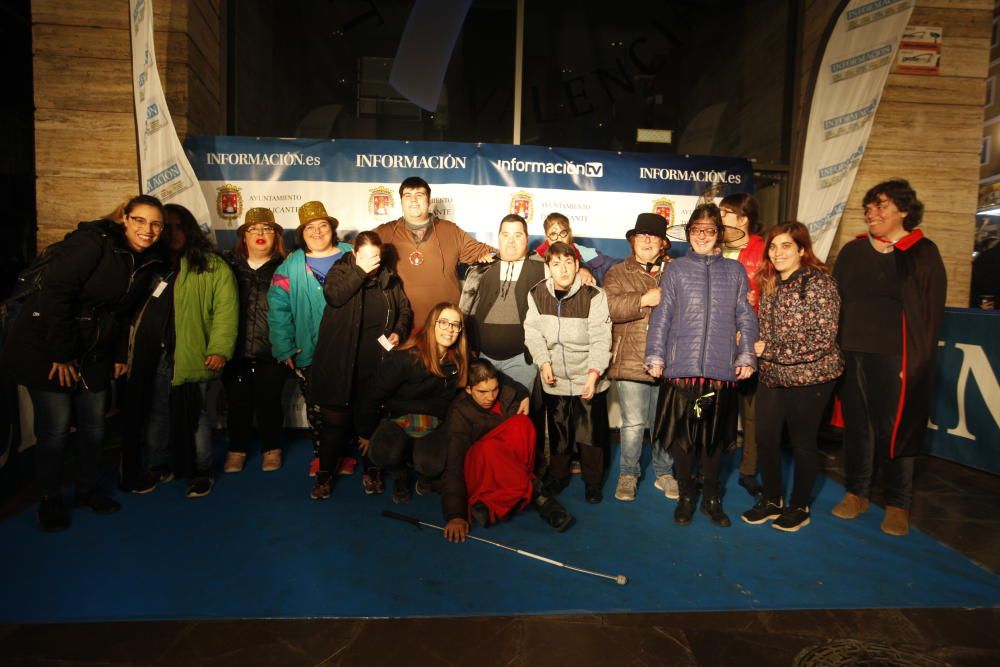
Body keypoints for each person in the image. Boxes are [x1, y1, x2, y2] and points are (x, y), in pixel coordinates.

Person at [2, 195, 166, 530]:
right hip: (47, 347)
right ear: (125, 218)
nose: (147, 230)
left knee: (94, 425)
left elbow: (121, 314)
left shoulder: (144, 259)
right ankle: (50, 499)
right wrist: (61, 355)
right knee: (56, 429)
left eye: (156, 224)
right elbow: (55, 294)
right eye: (140, 220)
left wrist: (119, 354)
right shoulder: (93, 242)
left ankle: (87, 489)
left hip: (95, 351)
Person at [831, 179, 946, 536]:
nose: (872, 213)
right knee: (858, 428)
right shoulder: (853, 251)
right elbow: (835, 303)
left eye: (881, 206)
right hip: (851, 352)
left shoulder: (923, 253)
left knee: (896, 430)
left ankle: (898, 503)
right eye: (869, 208)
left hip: (896, 357)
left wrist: (915, 364)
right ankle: (857, 492)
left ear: (904, 211)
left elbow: (928, 316)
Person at [645, 204, 758, 528]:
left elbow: (746, 317)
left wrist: (746, 355)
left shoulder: (735, 272)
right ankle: (686, 496)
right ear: (689, 233)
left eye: (709, 230)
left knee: (713, 441)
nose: (702, 237)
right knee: (684, 438)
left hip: (718, 377)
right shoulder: (676, 270)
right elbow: (662, 316)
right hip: (682, 374)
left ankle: (711, 497)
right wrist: (655, 355)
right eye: (696, 230)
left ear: (719, 234)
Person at [740, 222, 844, 532]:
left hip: (812, 376)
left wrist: (767, 348)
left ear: (801, 249)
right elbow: (767, 330)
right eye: (773, 247)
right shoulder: (770, 282)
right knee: (766, 438)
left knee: (802, 442)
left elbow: (822, 339)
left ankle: (800, 505)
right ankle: (773, 500)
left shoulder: (821, 284)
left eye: (786, 246)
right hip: (773, 374)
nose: (778, 252)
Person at [136, 204, 238, 498]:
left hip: (197, 354)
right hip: (159, 355)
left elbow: (226, 311)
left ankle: (201, 471)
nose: (171, 233)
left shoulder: (212, 265)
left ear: (190, 229)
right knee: (158, 413)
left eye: (178, 226)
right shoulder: (151, 264)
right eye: (165, 227)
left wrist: (220, 349)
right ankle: (158, 465)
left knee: (198, 415)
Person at [308, 231, 413, 499]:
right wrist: (359, 271)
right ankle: (325, 474)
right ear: (355, 254)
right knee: (335, 425)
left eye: (375, 256)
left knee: (370, 421)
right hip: (340, 363)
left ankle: (372, 469)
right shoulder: (341, 271)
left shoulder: (389, 279)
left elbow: (404, 310)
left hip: (375, 363)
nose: (371, 261)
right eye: (365, 256)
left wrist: (398, 332)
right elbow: (335, 296)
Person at [440, 359, 572, 543]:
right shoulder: (459, 411)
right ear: (469, 389)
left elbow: (516, 390)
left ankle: (499, 501)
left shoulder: (508, 393)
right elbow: (454, 462)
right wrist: (455, 514)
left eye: (494, 389)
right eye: (482, 392)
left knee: (522, 423)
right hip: (482, 466)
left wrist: (524, 394)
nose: (491, 397)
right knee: (490, 447)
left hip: (510, 465)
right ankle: (537, 496)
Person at [523, 242, 613, 503]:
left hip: (588, 376)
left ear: (576, 265)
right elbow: (533, 332)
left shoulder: (595, 296)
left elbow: (600, 338)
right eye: (555, 263)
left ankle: (593, 482)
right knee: (559, 430)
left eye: (568, 262)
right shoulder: (537, 293)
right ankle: (559, 476)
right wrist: (543, 362)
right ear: (548, 267)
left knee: (590, 433)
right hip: (555, 377)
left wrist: (594, 374)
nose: (562, 269)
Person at [268, 201, 353, 474]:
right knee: (317, 409)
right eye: (310, 228)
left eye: (323, 226)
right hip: (309, 351)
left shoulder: (353, 256)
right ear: (302, 234)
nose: (317, 232)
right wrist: (284, 348)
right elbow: (278, 310)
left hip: (350, 349)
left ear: (333, 229)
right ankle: (322, 455)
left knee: (350, 403)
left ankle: (346, 455)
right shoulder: (288, 267)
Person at [603, 213, 678, 502]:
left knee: (663, 421)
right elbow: (608, 307)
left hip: (669, 359)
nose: (646, 240)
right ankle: (628, 475)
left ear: (663, 243)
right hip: (631, 359)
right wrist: (643, 300)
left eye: (653, 236)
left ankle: (664, 472)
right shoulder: (617, 272)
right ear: (633, 240)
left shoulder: (676, 271)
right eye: (641, 235)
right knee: (633, 423)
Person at [367, 302, 468, 504]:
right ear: (432, 324)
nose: (450, 329)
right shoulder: (405, 357)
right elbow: (374, 394)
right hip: (400, 418)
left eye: (455, 325)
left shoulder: (458, 359)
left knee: (432, 464)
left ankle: (424, 474)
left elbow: (485, 374)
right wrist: (364, 432)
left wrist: (519, 392)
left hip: (433, 422)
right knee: (381, 452)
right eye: (444, 322)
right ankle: (400, 475)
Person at [374, 176, 496, 327]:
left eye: (419, 195)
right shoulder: (385, 232)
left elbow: (485, 252)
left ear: (429, 201)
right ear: (401, 201)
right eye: (408, 196)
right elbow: (355, 251)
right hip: (401, 326)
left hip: (444, 327)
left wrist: (494, 255)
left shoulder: (450, 230)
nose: (413, 200)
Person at [221, 208, 289, 474]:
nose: (260, 234)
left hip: (272, 349)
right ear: (243, 236)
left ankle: (272, 448)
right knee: (236, 402)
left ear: (276, 236)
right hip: (234, 348)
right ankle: (236, 448)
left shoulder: (285, 267)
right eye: (253, 229)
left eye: (267, 229)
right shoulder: (228, 265)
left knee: (270, 402)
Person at [459, 213, 546, 390]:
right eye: (505, 235)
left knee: (518, 414)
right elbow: (465, 311)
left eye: (517, 235)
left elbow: (567, 265)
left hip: (522, 361)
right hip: (482, 359)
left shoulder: (543, 269)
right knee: (483, 415)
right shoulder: (482, 268)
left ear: (527, 239)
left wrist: (582, 270)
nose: (511, 241)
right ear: (498, 238)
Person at [719, 193, 765, 498]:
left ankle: (748, 470)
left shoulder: (763, 251)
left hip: (750, 341)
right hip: (717, 341)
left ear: (743, 218)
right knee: (717, 408)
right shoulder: (714, 248)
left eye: (726, 213)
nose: (721, 218)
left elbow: (772, 296)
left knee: (752, 412)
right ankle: (712, 466)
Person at [533, 212, 619, 285]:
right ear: (547, 237)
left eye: (563, 233)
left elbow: (617, 266)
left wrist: (585, 269)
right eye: (553, 234)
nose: (559, 238)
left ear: (569, 234)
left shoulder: (585, 254)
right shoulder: (535, 260)